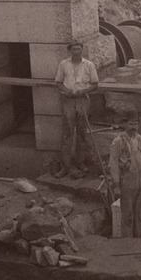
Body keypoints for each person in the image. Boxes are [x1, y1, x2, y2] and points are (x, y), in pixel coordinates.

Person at [54, 42, 98, 179]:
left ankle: (80, 162)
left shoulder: (89, 65)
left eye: (79, 48)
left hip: (82, 100)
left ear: (82, 50)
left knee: (81, 133)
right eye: (74, 49)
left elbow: (95, 84)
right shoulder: (63, 64)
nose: (77, 51)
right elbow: (58, 82)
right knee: (67, 134)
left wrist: (83, 91)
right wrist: (67, 91)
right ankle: (65, 166)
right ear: (70, 50)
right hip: (68, 100)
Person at [109, 117, 141, 238]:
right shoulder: (118, 141)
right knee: (127, 215)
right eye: (130, 123)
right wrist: (116, 185)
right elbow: (113, 164)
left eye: (135, 124)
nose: (133, 127)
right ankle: (127, 242)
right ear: (124, 124)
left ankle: (139, 240)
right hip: (127, 183)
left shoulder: (140, 139)